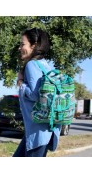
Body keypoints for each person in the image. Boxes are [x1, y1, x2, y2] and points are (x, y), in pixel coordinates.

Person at [13, 28, 61, 157]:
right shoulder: (45, 65)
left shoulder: (32, 65)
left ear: (33, 46)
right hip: (45, 129)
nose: (19, 48)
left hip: (37, 132)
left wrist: (20, 82)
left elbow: (35, 94)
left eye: (22, 44)